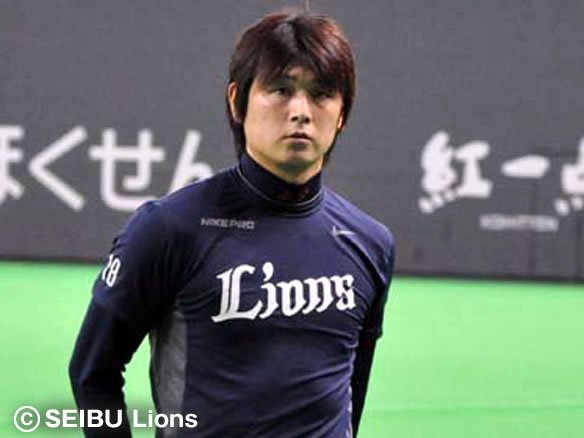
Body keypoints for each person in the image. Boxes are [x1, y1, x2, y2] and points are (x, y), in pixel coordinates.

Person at [70, 9, 395, 438]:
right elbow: (92, 374)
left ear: (342, 114)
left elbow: (352, 394)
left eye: (321, 94)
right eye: (280, 89)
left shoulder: (370, 243)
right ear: (237, 101)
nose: (300, 111)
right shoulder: (170, 228)